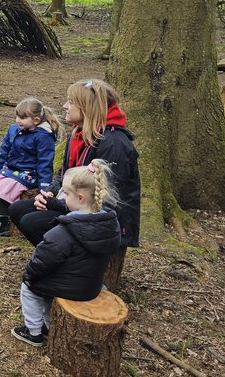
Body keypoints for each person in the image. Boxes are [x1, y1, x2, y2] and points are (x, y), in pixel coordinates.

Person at [8, 79, 140, 252]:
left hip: (101, 218)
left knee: (32, 222)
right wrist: (49, 193)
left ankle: (72, 263)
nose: (64, 106)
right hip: (74, 202)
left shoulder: (113, 143)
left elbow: (104, 199)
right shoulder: (78, 134)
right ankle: (57, 257)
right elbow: (64, 173)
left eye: (70, 102)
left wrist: (57, 204)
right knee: (18, 209)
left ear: (86, 107)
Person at [12, 159, 121, 346]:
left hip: (69, 287)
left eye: (66, 194)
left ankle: (34, 331)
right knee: (49, 282)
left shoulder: (64, 231)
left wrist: (28, 275)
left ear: (80, 198)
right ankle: (49, 323)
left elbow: (42, 261)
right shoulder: (110, 224)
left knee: (31, 288)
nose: (63, 199)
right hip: (92, 287)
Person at [0, 97, 60, 237]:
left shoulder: (43, 136)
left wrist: (44, 187)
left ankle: (2, 221)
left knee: (3, 186)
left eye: (22, 117)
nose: (17, 120)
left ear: (36, 120)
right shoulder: (14, 129)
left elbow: (45, 162)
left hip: (28, 174)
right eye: (17, 116)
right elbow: (3, 151)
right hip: (10, 169)